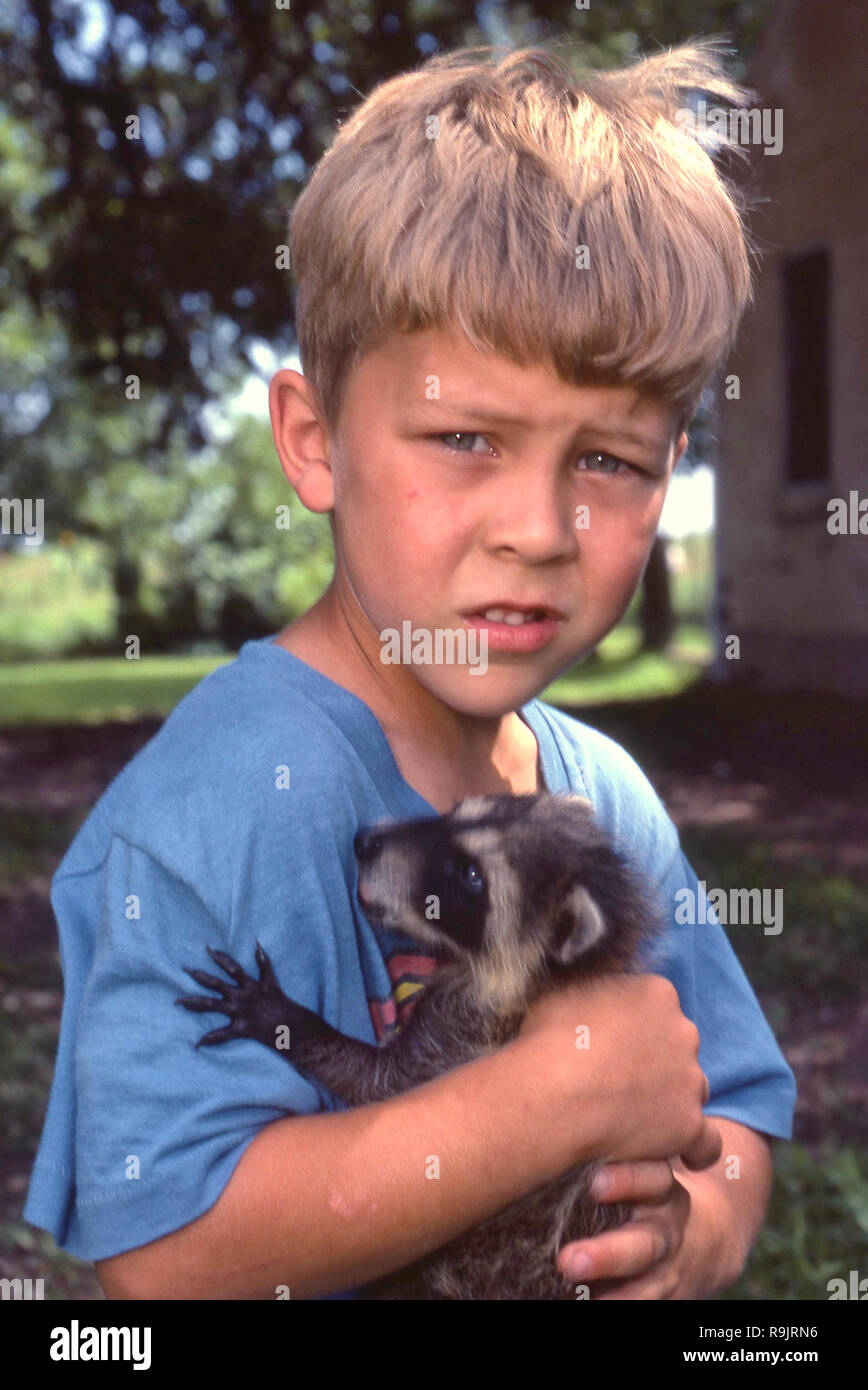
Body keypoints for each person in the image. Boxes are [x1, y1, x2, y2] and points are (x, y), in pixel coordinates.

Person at [25, 38, 796, 1300]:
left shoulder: (601, 800)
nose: (540, 530)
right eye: (464, 438)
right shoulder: (213, 809)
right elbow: (164, 1257)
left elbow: (739, 1108)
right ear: (315, 444)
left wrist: (697, 1231)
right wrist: (538, 1106)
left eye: (611, 460)